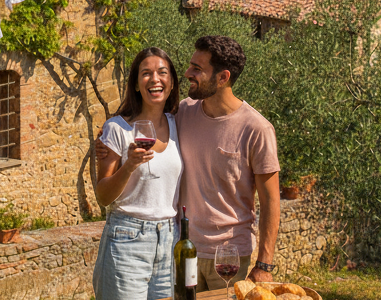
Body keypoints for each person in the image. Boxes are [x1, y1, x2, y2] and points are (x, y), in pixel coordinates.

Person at [95, 35, 280, 293]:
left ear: (222, 78)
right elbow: (139, 121)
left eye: (197, 69)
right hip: (182, 249)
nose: (187, 73)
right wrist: (108, 139)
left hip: (228, 256)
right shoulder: (184, 113)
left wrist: (265, 264)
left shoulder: (257, 129)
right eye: (190, 65)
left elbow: (272, 201)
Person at [93, 47, 184, 300]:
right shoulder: (117, 129)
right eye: (146, 74)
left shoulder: (179, 123)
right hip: (127, 239)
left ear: (172, 81)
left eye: (162, 72)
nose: (155, 79)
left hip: (170, 239)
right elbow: (103, 196)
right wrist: (130, 165)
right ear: (135, 84)